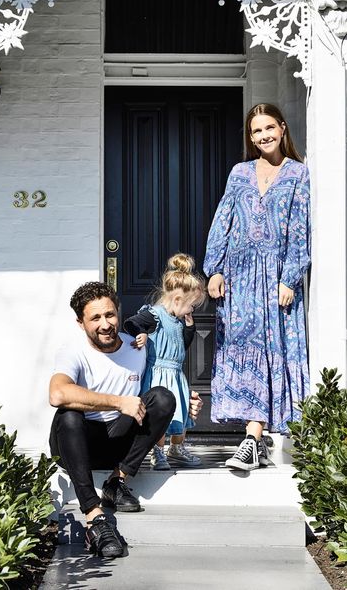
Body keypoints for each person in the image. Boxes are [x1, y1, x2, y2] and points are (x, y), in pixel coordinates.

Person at [203, 103, 311, 471]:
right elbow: (223, 220)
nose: (263, 136)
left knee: (270, 351)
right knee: (241, 349)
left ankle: (253, 437)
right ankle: (254, 437)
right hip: (239, 278)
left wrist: (289, 278)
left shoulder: (298, 174)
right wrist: (214, 269)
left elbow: (300, 230)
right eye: (255, 131)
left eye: (269, 128)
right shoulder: (240, 172)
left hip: (275, 279)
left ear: (282, 128)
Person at [49, 281, 177, 559]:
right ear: (81, 323)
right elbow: (57, 393)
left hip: (119, 443)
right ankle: (95, 517)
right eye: (95, 318)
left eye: (110, 315)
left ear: (119, 313)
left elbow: (164, 379)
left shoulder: (137, 346)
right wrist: (118, 401)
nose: (105, 324)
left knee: (164, 397)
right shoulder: (73, 351)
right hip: (78, 443)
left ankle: (116, 482)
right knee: (68, 415)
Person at [124, 253, 205, 470]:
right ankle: (157, 451)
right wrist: (141, 333)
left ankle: (177, 449)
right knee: (161, 417)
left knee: (182, 413)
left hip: (176, 374)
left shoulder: (179, 320)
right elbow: (131, 323)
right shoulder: (155, 315)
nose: (192, 310)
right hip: (158, 375)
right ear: (178, 300)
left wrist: (189, 326)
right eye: (191, 306)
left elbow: (184, 344)